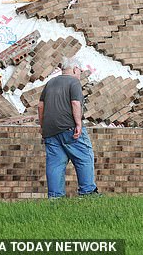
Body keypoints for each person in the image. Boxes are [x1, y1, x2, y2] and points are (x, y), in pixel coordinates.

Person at [38, 57, 99, 198]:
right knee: (84, 157)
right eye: (80, 71)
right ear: (75, 69)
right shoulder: (74, 82)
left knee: (55, 164)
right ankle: (88, 192)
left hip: (50, 131)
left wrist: (42, 126)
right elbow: (75, 103)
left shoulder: (50, 83)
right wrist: (78, 124)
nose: (80, 74)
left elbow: (40, 106)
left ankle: (55, 197)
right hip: (69, 128)